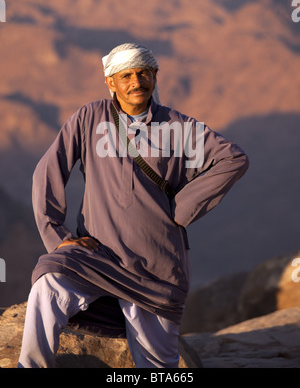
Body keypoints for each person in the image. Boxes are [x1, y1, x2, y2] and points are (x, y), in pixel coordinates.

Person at [18, 43, 249, 368]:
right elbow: (48, 170)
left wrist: (182, 210)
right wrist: (56, 235)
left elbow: (233, 158)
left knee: (157, 367)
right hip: (97, 254)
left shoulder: (178, 126)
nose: (136, 81)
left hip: (155, 263)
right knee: (48, 282)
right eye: (126, 75)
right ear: (111, 82)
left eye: (143, 73)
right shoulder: (89, 117)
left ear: (154, 76)